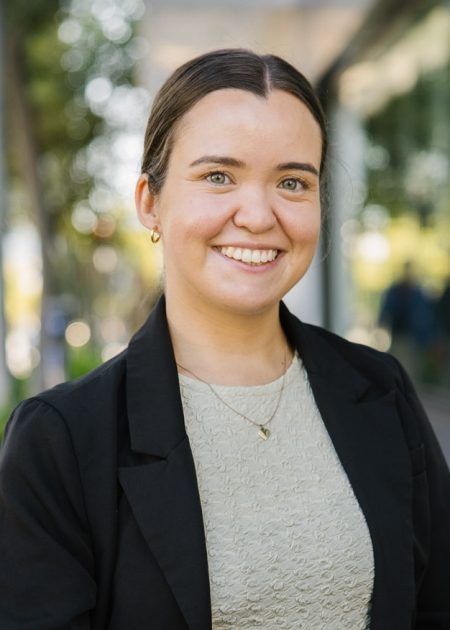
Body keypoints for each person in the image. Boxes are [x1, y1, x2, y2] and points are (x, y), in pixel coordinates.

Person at [1, 49, 449, 630]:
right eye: (219, 176)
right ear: (150, 202)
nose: (259, 215)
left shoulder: (380, 387)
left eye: (292, 181)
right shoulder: (60, 440)